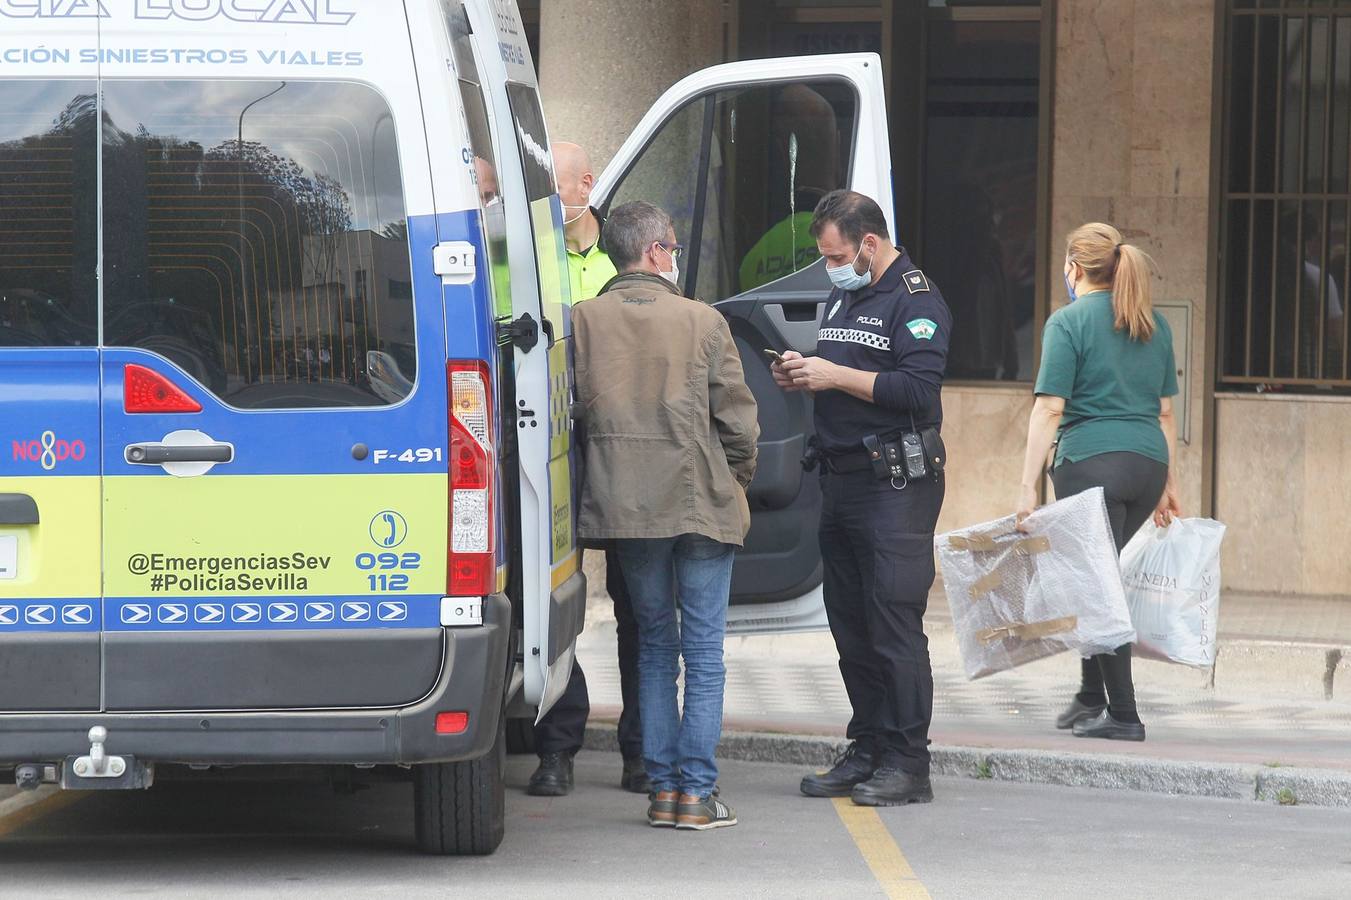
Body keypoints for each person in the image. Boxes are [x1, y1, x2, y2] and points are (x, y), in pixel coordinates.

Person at [572, 200, 758, 831]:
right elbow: (737, 417)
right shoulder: (701, 320)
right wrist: (737, 481)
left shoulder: (583, 320)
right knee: (703, 654)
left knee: (654, 648)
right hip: (699, 498)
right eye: (673, 248)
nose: (674, 257)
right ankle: (697, 794)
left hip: (626, 505)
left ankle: (661, 790)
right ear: (654, 253)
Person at [772, 190, 951, 807]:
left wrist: (833, 374)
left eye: (836, 254)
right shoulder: (845, 293)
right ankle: (869, 745)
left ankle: (908, 762)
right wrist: (802, 371)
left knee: (893, 621)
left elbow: (917, 388)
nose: (831, 266)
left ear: (868, 245)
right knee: (850, 624)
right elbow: (844, 375)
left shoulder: (916, 299)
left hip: (895, 484)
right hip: (842, 478)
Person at [1015, 222, 1182, 743]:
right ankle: (1091, 696)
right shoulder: (1153, 323)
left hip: (1092, 464)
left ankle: (1125, 715)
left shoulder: (1066, 323)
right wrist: (1170, 485)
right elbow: (1166, 413)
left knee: (1098, 585)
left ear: (1074, 268)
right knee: (1098, 576)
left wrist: (1026, 489)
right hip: (1146, 469)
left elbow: (1048, 408)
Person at [526, 142, 643, 798]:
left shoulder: (624, 256)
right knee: (558, 596)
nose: (548, 199)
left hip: (620, 444)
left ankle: (640, 749)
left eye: (555, 186)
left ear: (585, 184)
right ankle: (557, 747)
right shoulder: (531, 250)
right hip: (552, 441)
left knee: (637, 602)